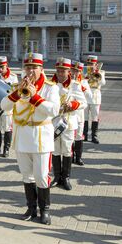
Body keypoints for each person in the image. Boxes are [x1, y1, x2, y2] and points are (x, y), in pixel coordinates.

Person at [0, 52, 59, 225]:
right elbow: (4, 105)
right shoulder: (18, 87)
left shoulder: (50, 88)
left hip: (41, 138)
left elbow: (54, 111)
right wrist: (17, 94)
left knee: (41, 176)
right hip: (22, 137)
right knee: (27, 176)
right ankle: (31, 208)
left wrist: (34, 97)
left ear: (41, 69)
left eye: (34, 67)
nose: (30, 71)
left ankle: (45, 210)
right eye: (28, 67)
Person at [51, 58, 86, 191]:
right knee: (55, 150)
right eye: (58, 70)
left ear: (69, 71)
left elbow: (83, 103)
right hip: (53, 121)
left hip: (68, 122)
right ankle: (56, 177)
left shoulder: (75, 85)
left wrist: (72, 105)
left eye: (63, 71)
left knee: (66, 150)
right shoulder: (50, 83)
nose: (60, 73)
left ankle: (65, 178)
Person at [0, 56, 18, 157]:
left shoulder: (13, 77)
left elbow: (15, 91)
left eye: (2, 67)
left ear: (6, 65)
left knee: (7, 128)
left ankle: (6, 149)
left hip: (7, 106)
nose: (0, 69)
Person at [70, 61, 92, 165]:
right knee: (69, 136)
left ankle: (78, 157)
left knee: (79, 135)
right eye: (73, 70)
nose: (74, 73)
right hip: (68, 114)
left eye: (77, 71)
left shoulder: (84, 82)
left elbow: (89, 97)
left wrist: (84, 90)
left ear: (80, 72)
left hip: (79, 114)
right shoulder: (67, 81)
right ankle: (69, 156)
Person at [84, 55, 105, 144]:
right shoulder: (84, 71)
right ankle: (84, 135)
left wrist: (97, 73)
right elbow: (81, 81)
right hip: (85, 96)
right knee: (84, 117)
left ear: (96, 64)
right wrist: (87, 74)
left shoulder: (101, 72)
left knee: (95, 117)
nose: (90, 65)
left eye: (92, 63)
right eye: (89, 63)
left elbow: (103, 83)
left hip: (95, 96)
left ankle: (94, 136)